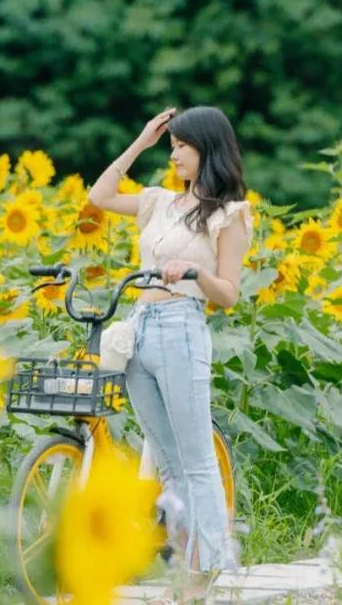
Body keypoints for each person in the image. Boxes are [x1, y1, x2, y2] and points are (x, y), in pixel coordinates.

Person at [87, 105, 254, 603]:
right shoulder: (159, 202)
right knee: (168, 461)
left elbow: (229, 294)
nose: (174, 154)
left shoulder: (229, 215)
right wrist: (142, 140)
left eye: (182, 146)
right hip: (139, 331)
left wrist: (195, 273)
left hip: (182, 329)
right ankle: (187, 572)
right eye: (172, 145)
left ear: (208, 148)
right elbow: (99, 197)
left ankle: (199, 578)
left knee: (197, 461)